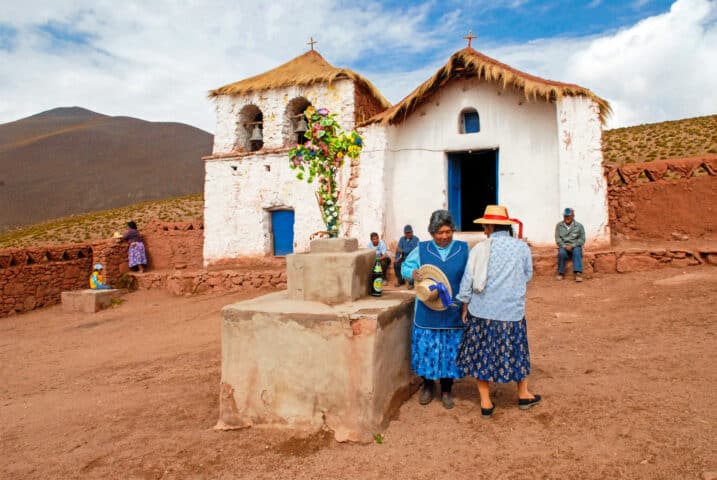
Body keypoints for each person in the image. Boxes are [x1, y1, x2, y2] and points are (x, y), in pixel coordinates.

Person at [456, 205, 540, 419]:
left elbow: (468, 280)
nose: (484, 229)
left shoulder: (479, 249)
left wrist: (464, 304)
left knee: (482, 353)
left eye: (485, 225)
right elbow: (528, 275)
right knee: (517, 350)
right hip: (511, 312)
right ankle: (523, 394)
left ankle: (485, 402)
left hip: (482, 310)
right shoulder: (521, 248)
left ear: (491, 226)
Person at [401, 210, 468, 409]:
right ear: (432, 233)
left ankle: (447, 389)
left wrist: (467, 303)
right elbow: (405, 267)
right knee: (426, 350)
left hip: (452, 311)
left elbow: (469, 277)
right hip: (427, 311)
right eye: (439, 232)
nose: (444, 236)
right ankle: (428, 385)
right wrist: (412, 273)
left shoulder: (463, 249)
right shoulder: (421, 249)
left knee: (450, 352)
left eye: (448, 231)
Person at [555, 208, 585, 282]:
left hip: (575, 246)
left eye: (568, 216)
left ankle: (578, 273)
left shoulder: (579, 226)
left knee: (577, 251)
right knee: (561, 253)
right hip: (564, 246)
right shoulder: (559, 225)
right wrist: (565, 246)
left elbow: (582, 239)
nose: (566, 218)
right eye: (565, 216)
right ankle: (561, 273)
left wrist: (573, 245)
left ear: (573, 216)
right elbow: (558, 239)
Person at [393, 224, 419, 289]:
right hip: (404, 258)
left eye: (409, 232)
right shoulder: (402, 239)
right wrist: (396, 258)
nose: (407, 234)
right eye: (406, 233)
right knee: (396, 264)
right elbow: (398, 249)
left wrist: (402, 251)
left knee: (412, 267)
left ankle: (411, 283)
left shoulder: (416, 239)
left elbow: (412, 250)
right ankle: (401, 281)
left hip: (413, 259)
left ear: (412, 232)